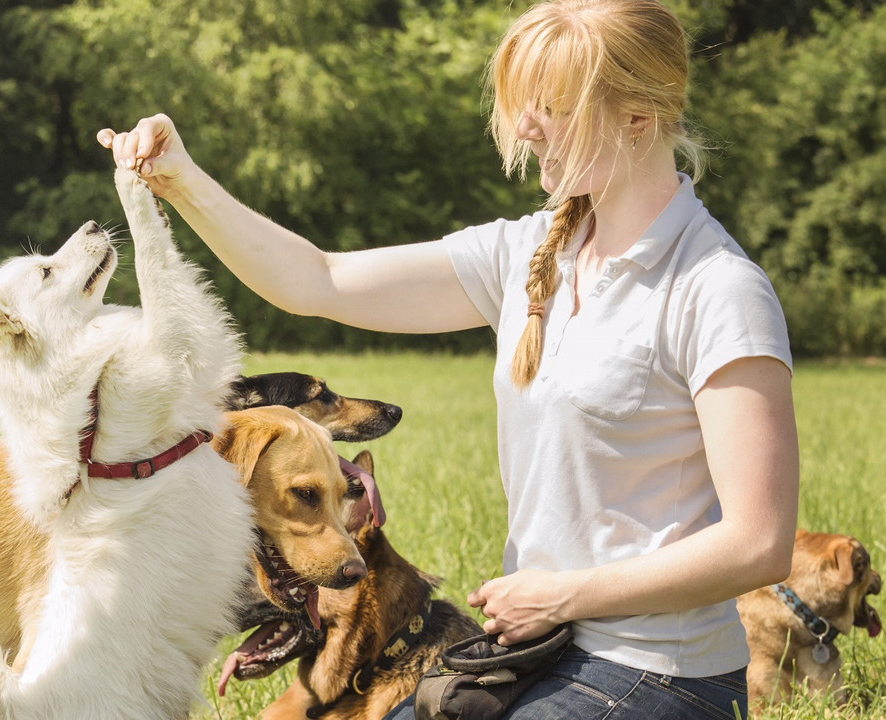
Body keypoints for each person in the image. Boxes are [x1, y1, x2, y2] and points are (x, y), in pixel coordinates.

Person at [97, 0, 799, 717]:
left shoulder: (717, 290)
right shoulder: (528, 252)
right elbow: (318, 280)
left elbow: (760, 543)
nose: (525, 127)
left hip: (657, 674)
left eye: (550, 107)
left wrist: (568, 593)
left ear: (638, 120)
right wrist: (181, 177)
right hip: (538, 650)